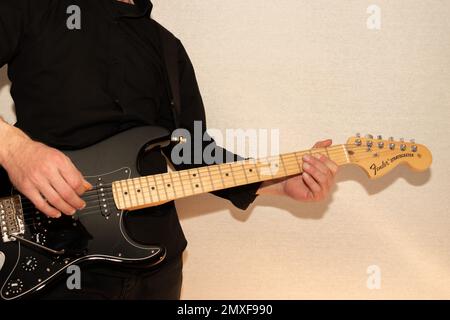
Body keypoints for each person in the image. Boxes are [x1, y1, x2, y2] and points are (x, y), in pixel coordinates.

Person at [0, 0, 338, 299]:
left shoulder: (166, 46)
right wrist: (14, 149)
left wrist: (276, 184)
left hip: (158, 268)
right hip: (55, 259)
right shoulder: (33, 6)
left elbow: (192, 152)